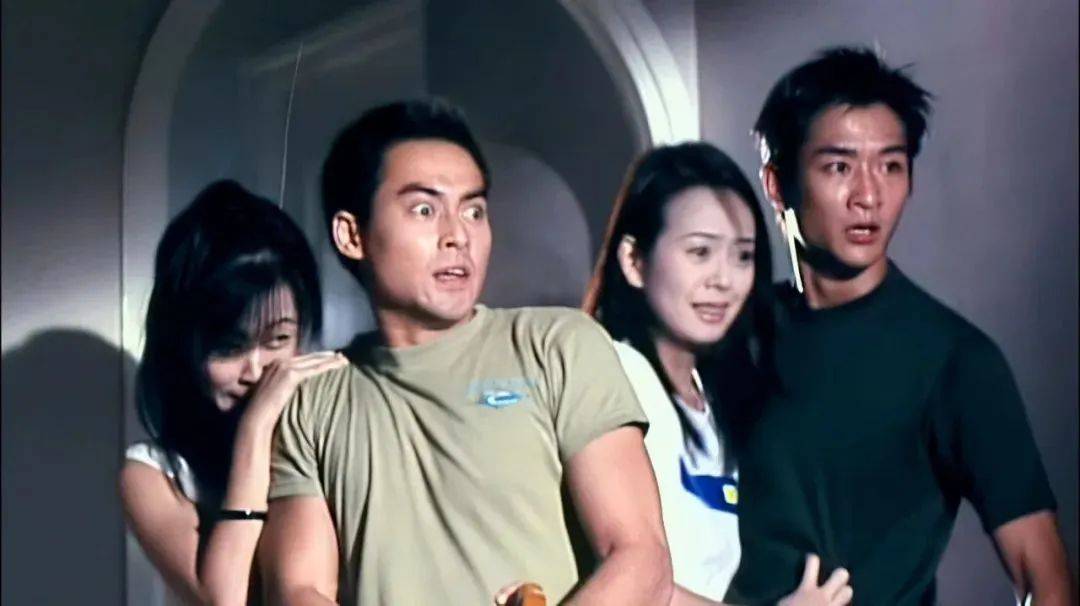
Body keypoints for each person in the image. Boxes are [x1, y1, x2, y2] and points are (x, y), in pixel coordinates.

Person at [258, 99, 673, 606]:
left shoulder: (557, 346)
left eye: (474, 210)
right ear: (352, 235)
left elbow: (641, 558)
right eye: (425, 210)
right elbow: (300, 589)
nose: (458, 236)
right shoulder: (313, 401)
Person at [726, 47, 1072, 605]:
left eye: (891, 166)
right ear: (777, 184)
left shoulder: (954, 360)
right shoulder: (731, 333)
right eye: (839, 167)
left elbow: (1046, 578)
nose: (869, 196)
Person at [584, 142, 853, 606]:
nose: (724, 280)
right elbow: (633, 582)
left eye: (743, 256)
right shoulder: (615, 373)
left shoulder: (712, 401)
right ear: (634, 261)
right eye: (700, 252)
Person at [119, 181, 347, 605]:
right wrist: (254, 430)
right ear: (183, 345)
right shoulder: (153, 475)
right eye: (229, 348)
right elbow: (224, 600)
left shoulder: (327, 425)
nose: (256, 371)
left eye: (278, 339)